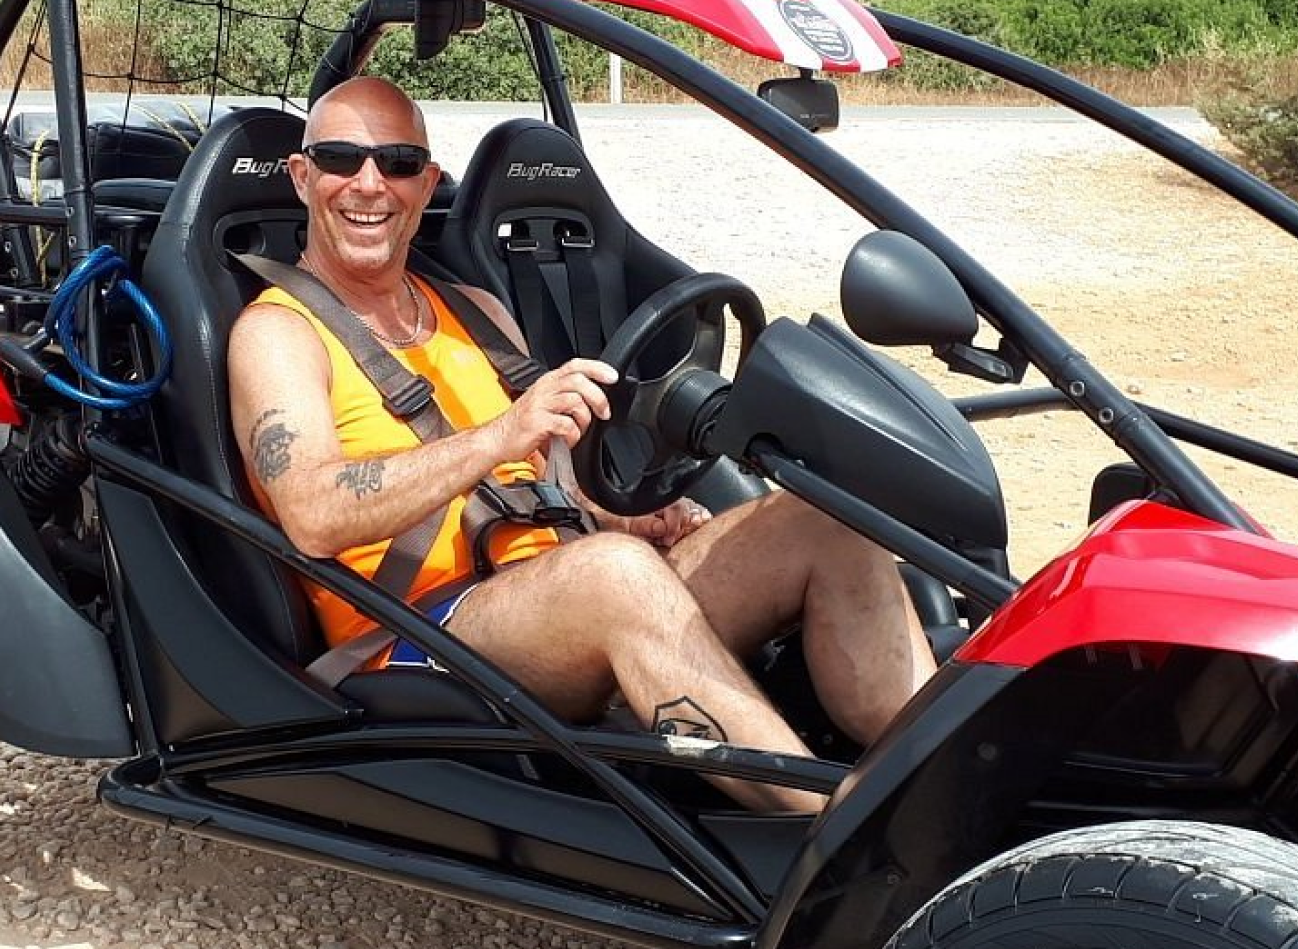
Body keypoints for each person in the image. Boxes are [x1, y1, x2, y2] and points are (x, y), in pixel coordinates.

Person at [226, 76, 935, 814]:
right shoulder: (276, 333)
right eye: (342, 158)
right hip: (415, 636)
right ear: (303, 177)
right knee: (612, 575)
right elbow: (310, 513)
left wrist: (623, 517)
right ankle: (843, 830)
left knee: (820, 521)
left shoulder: (473, 309)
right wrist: (504, 432)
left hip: (563, 590)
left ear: (428, 183)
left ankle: (935, 770)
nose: (370, 184)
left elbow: (531, 480)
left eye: (400, 163)